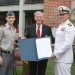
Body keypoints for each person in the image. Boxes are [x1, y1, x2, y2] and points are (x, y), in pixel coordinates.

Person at [26, 11, 54, 75]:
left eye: (40, 17)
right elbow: (27, 38)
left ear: (43, 18)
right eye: (37, 17)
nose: (39, 18)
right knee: (32, 72)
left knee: (42, 72)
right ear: (35, 18)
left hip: (43, 55)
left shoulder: (48, 28)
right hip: (32, 55)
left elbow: (52, 39)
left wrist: (48, 41)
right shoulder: (30, 28)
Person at [50, 6, 75, 75]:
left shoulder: (69, 26)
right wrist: (54, 45)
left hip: (64, 59)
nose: (61, 16)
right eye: (60, 14)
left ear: (68, 15)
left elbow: (68, 44)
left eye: (63, 14)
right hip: (59, 59)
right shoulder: (61, 25)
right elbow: (60, 40)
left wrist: (56, 54)